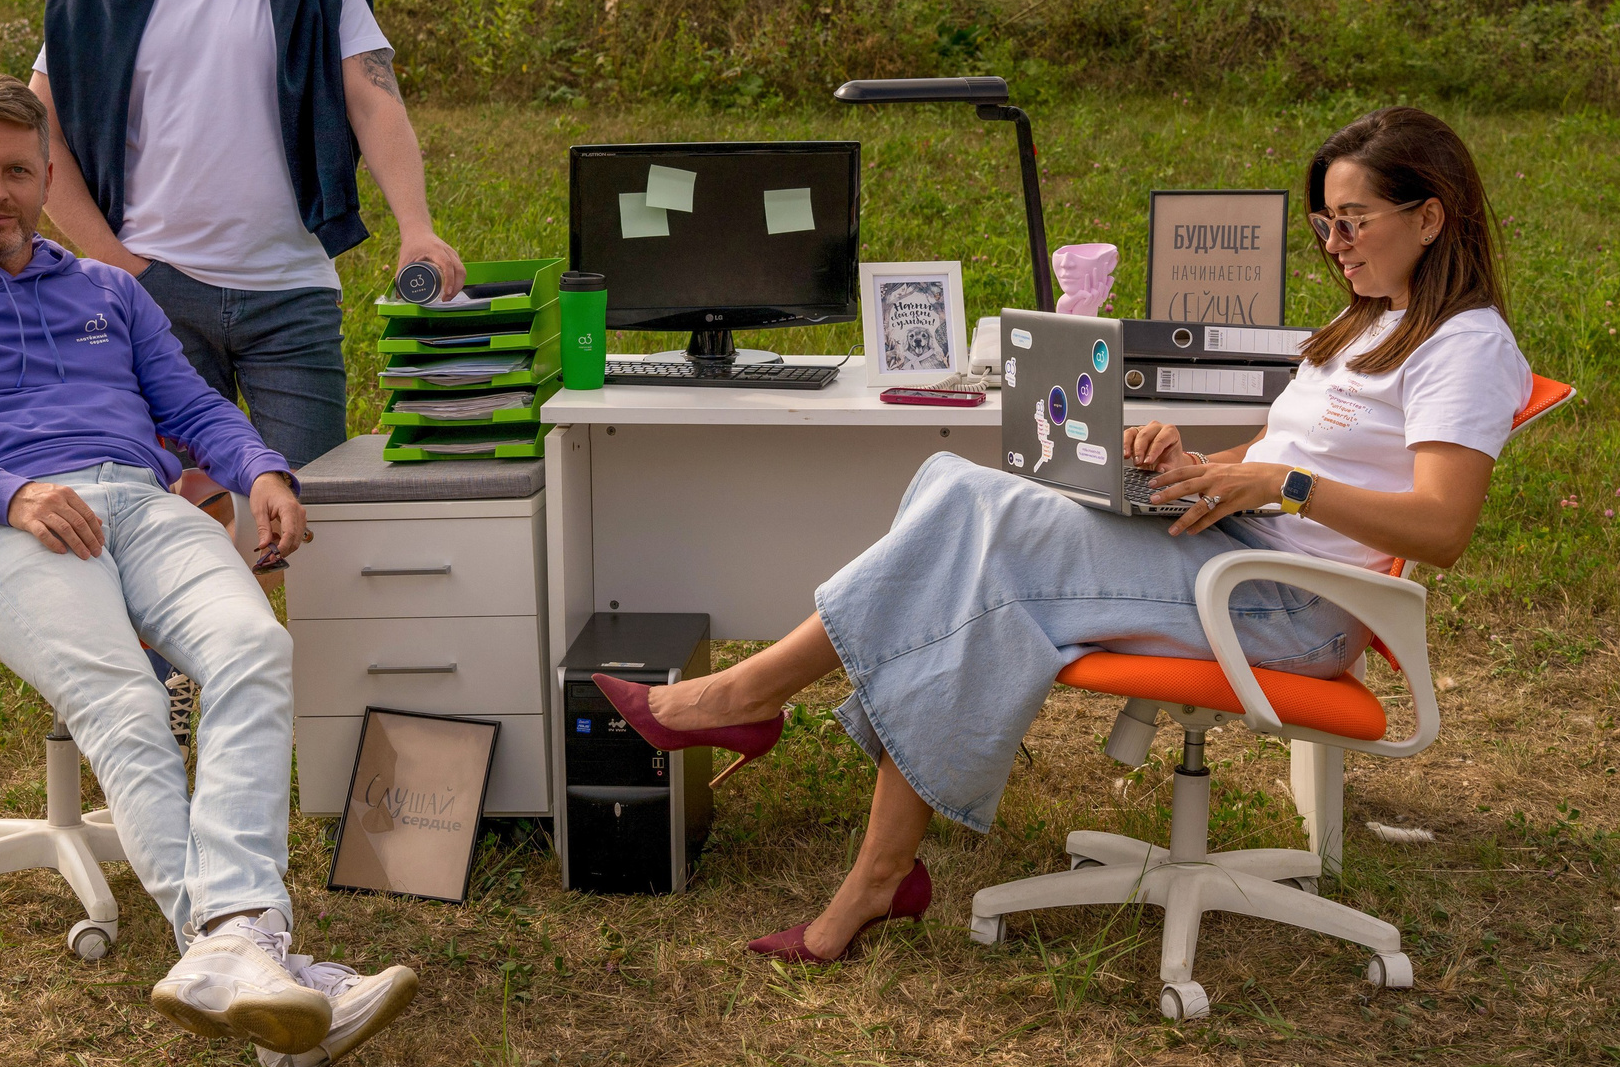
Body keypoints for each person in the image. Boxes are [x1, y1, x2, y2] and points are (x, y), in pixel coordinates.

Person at [596, 106, 1531, 963]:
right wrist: (1196, 459)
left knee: (983, 537)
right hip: (1237, 541)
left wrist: (1278, 482)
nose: (1334, 246)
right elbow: (1283, 451)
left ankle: (757, 715)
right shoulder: (1372, 320)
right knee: (959, 498)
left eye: (1354, 221)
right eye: (1324, 224)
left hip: (1289, 607)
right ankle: (855, 850)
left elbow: (1441, 526)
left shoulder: (1466, 346)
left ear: (1433, 216)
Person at [0, 72, 417, 1067]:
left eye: (17, 170)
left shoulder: (107, 292)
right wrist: (3, 492)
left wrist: (259, 468)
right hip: (5, 526)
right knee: (127, 701)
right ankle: (268, 963)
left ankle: (235, 953)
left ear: (49, 176)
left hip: (141, 509)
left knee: (250, 650)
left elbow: (189, 402)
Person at [30, 0, 461, 470]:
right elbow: (35, 133)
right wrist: (116, 264)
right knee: (179, 522)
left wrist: (417, 225)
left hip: (289, 290)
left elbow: (376, 100)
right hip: (155, 294)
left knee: (311, 510)